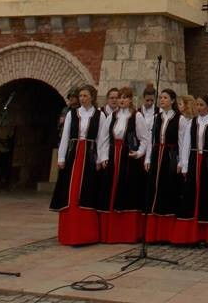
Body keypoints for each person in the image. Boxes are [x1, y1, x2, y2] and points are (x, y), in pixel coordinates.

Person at [51, 84, 103, 245]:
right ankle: (69, 233)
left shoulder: (99, 115)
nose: (82, 98)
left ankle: (86, 234)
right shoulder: (72, 114)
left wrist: (101, 158)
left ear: (92, 97)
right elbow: (65, 135)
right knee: (71, 191)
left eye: (85, 96)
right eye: (80, 96)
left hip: (89, 155)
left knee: (86, 191)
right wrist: (61, 158)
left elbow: (102, 139)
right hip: (73, 155)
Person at [97, 86, 149, 243]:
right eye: (120, 97)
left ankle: (127, 233)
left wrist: (139, 153)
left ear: (131, 99)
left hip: (128, 159)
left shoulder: (137, 116)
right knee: (111, 191)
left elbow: (145, 138)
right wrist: (104, 156)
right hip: (114, 157)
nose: (121, 100)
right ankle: (110, 233)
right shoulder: (111, 116)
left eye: (125, 97)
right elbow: (104, 138)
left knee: (127, 191)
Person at [173, 94, 208, 244]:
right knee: (190, 194)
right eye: (197, 105)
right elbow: (186, 145)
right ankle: (189, 234)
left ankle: (205, 234)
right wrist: (184, 165)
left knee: (205, 195)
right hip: (194, 160)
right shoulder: (192, 123)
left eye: (202, 105)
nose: (199, 108)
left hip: (207, 162)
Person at [144, 88, 182, 242]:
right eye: (161, 98)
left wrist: (181, 162)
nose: (162, 100)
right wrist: (147, 158)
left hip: (169, 156)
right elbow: (150, 139)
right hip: (156, 155)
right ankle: (153, 233)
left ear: (172, 101)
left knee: (167, 190)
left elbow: (182, 142)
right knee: (154, 190)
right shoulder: (156, 117)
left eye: (165, 98)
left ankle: (167, 233)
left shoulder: (179, 119)